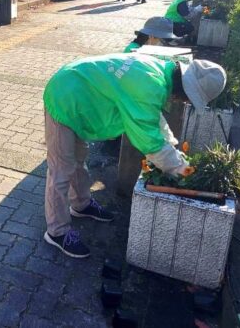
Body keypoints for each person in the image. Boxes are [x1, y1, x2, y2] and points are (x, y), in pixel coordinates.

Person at [42, 54, 226, 257]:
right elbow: (149, 141)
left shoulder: (160, 72)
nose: (182, 101)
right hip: (64, 97)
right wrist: (183, 170)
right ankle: (57, 232)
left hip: (81, 93)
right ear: (183, 87)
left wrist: (173, 147)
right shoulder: (149, 86)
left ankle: (81, 204)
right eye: (187, 97)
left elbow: (153, 118)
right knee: (61, 169)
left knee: (77, 160)